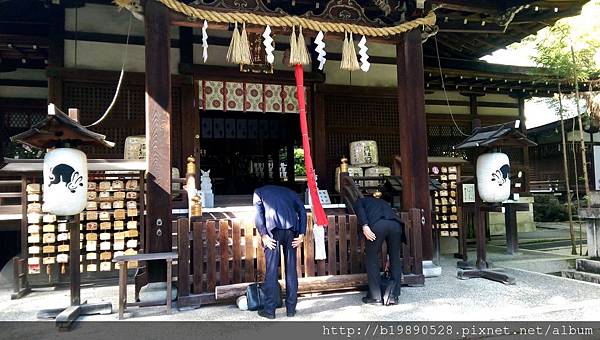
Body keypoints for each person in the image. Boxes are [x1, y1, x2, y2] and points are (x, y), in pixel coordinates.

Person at [253, 185, 307, 319]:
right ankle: (291, 310)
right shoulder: (291, 191)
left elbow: (258, 214)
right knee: (291, 270)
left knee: (271, 270)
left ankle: (270, 311)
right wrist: (301, 233)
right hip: (291, 231)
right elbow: (302, 210)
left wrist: (263, 234)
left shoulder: (258, 192)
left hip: (272, 232)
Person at [353, 191, 405, 305]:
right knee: (395, 259)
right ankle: (393, 295)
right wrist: (387, 257)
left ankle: (375, 296)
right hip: (396, 225)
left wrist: (365, 226)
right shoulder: (382, 202)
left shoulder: (360, 201)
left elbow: (360, 211)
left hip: (378, 225)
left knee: (371, 258)